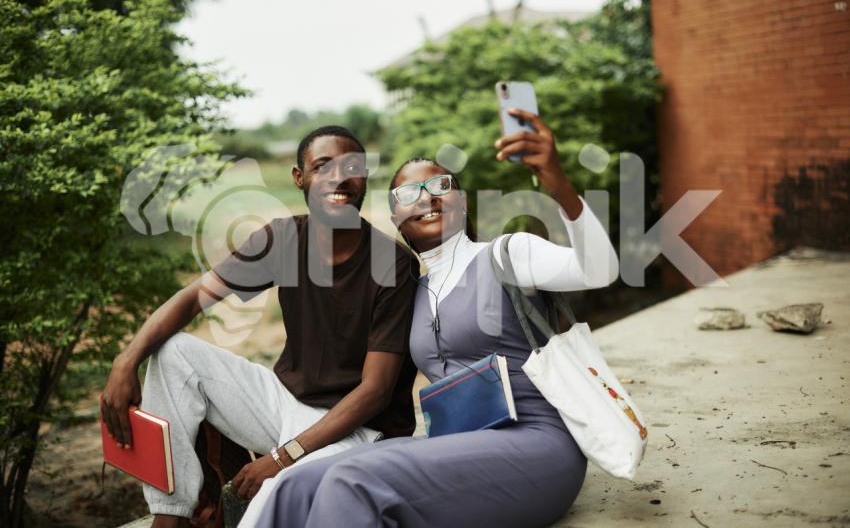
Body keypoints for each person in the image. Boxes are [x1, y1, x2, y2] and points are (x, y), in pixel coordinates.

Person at [251, 109, 619, 528]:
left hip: (534, 443)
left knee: (351, 479)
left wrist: (557, 180)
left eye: (439, 185)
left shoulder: (507, 255)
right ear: (396, 219)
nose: (425, 198)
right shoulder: (413, 292)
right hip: (453, 445)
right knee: (296, 483)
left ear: (460, 200)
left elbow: (599, 270)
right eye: (407, 194)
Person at [101, 126, 420, 528]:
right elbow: (191, 298)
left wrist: (280, 458)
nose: (339, 177)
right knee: (174, 351)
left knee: (270, 502)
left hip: (358, 433)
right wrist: (125, 361)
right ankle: (171, 514)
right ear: (299, 177)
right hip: (285, 404)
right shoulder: (284, 239)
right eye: (323, 166)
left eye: (351, 166)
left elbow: (374, 393)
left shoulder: (392, 264)